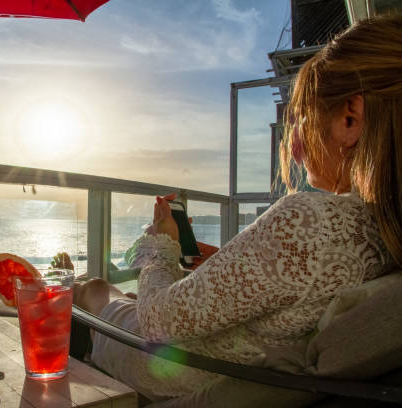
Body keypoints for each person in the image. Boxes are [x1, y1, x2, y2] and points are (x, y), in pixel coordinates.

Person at [73, 14, 402, 402]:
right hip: (222, 351)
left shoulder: (309, 221)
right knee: (115, 294)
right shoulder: (381, 230)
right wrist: (225, 263)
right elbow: (288, 292)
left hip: (172, 364)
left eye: (301, 117)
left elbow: (158, 321)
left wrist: (160, 246)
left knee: (93, 289)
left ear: (350, 118)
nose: (294, 136)